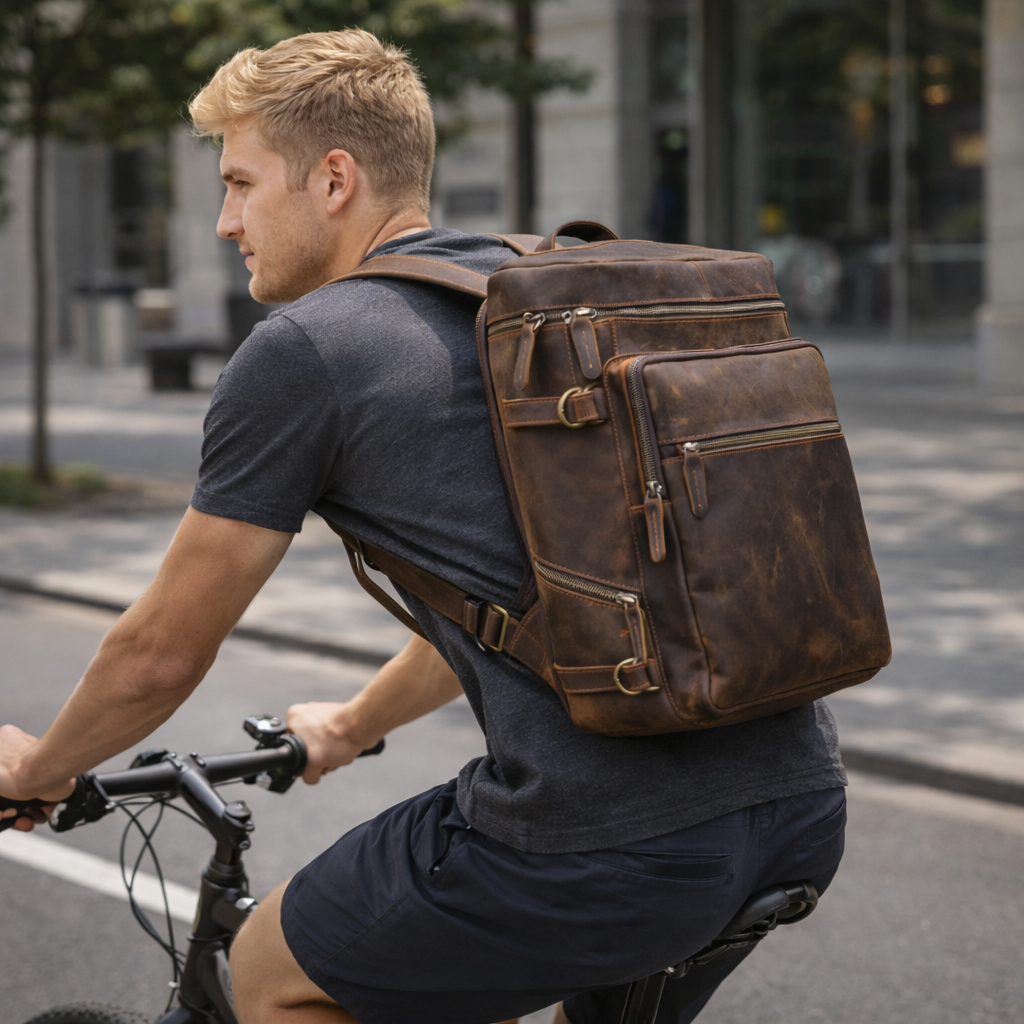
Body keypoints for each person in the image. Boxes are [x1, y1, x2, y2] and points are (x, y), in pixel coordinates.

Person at [0, 30, 848, 1024]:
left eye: (238, 182)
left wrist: (38, 769)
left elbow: (159, 652)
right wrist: (355, 724)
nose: (225, 220)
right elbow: (548, 596)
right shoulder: (533, 295)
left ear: (333, 178)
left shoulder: (305, 351)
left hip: (605, 839)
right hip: (797, 801)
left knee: (271, 968)